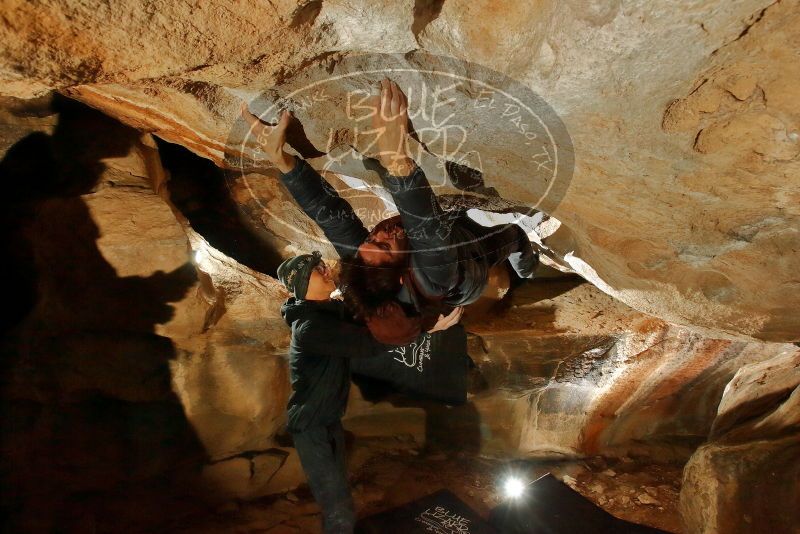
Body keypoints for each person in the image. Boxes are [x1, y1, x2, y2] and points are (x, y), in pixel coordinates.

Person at [241, 79, 538, 344]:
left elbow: (328, 213)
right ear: (401, 275)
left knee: (443, 218)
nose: (379, 233)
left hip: (431, 252)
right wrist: (395, 154)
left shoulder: (362, 271)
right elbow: (425, 225)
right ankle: (527, 268)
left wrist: (281, 160)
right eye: (384, 243)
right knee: (511, 235)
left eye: (370, 240)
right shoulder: (434, 273)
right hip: (467, 262)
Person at [276, 251, 462, 533]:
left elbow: (370, 322)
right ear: (302, 283)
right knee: (337, 505)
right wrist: (425, 330)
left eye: (322, 265)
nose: (326, 270)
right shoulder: (310, 327)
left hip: (327, 420)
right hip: (311, 425)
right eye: (317, 270)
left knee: (338, 495)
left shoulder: (327, 311)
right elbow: (369, 344)